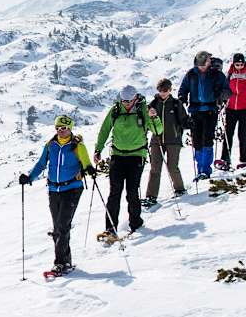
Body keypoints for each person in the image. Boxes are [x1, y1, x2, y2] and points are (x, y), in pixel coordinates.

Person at [19, 114, 96, 276]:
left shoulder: (77, 146)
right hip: (54, 190)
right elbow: (41, 164)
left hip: (72, 189)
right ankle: (66, 261)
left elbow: (86, 161)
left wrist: (89, 168)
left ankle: (60, 263)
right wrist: (29, 177)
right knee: (58, 228)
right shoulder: (50, 145)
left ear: (70, 128)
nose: (61, 131)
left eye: (65, 128)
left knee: (62, 225)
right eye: (58, 128)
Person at [93, 85, 162, 236]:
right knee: (114, 192)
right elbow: (105, 130)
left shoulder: (143, 109)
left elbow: (158, 130)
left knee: (132, 192)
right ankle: (110, 227)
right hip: (117, 155)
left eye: (129, 100)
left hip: (137, 155)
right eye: (124, 100)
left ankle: (135, 222)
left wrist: (154, 117)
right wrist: (98, 149)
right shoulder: (116, 110)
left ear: (136, 98)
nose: (126, 103)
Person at [178, 51, 232, 180]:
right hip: (195, 111)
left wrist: (221, 96)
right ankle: (200, 169)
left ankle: (205, 170)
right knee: (197, 141)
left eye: (205, 63)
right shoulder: (191, 74)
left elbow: (227, 91)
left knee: (207, 139)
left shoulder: (217, 74)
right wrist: (182, 97)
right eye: (201, 64)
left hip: (210, 110)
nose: (202, 66)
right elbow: (183, 88)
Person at [143, 78, 190, 206]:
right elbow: (148, 122)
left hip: (173, 140)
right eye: (160, 90)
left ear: (170, 90)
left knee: (172, 167)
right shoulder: (153, 104)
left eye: (165, 90)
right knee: (155, 168)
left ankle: (179, 188)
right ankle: (151, 196)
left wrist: (189, 123)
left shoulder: (176, 103)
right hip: (156, 140)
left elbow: (183, 120)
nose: (162, 93)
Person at [219, 53, 246, 169]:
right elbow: (224, 88)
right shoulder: (229, 74)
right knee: (228, 133)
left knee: (243, 134)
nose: (239, 66)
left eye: (241, 64)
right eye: (237, 64)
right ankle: (225, 159)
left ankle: (244, 160)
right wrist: (223, 99)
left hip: (244, 109)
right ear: (233, 64)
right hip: (230, 109)